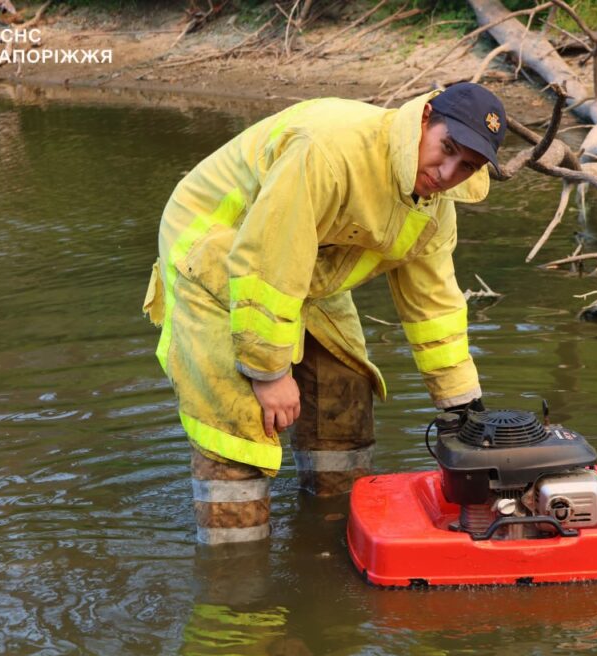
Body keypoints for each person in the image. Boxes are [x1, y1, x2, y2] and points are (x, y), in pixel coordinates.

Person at [142, 83, 506, 544]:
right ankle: (236, 577)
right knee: (241, 425)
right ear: (425, 118)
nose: (446, 172)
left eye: (466, 167)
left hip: (307, 265)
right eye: (446, 149)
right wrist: (268, 372)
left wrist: (461, 408)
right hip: (217, 251)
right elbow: (267, 258)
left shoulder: (434, 206)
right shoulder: (329, 151)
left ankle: (333, 532)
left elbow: (434, 304)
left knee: (345, 388)